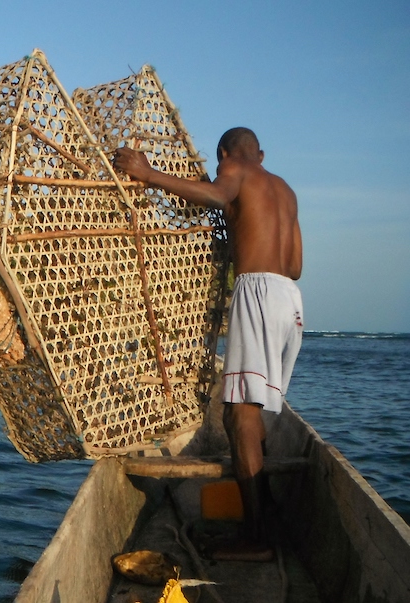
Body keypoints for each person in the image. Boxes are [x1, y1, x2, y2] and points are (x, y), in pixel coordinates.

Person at [113, 128, 303, 561]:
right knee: (249, 414)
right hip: (289, 300)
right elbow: (294, 264)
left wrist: (147, 173)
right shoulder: (287, 191)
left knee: (239, 417)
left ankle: (256, 539)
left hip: (257, 293)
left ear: (224, 154)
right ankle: (264, 518)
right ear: (263, 152)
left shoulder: (234, 169)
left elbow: (218, 197)